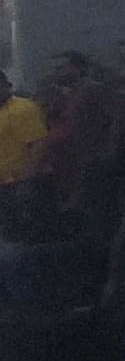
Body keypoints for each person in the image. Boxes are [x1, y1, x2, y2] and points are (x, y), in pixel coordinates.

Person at [0, 72, 44, 239]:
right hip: (4, 187)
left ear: (7, 86)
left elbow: (38, 146)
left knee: (23, 236)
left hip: (20, 186)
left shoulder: (21, 109)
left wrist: (27, 182)